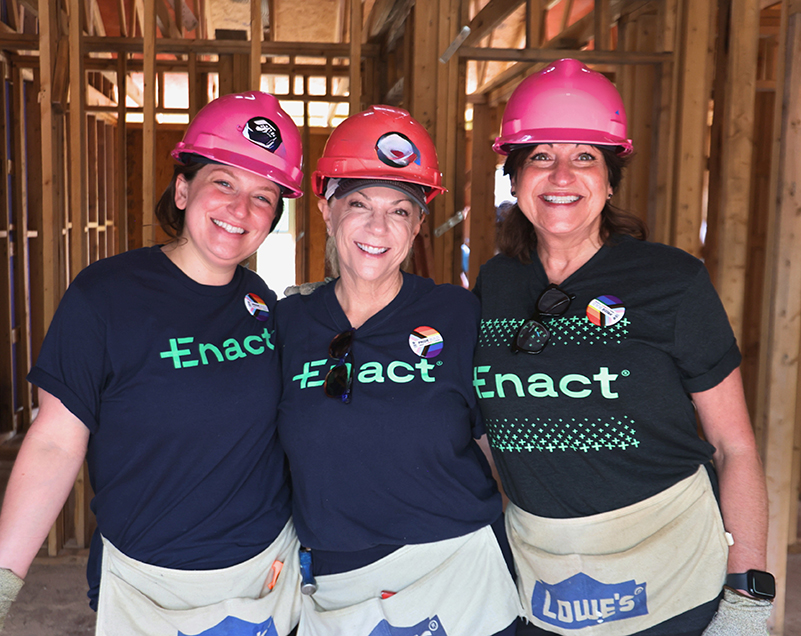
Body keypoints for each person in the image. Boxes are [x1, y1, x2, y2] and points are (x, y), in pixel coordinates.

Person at [472, 58, 773, 636]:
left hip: (672, 571)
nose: (562, 175)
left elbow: (734, 446)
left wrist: (749, 595)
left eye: (585, 156)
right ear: (514, 176)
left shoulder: (672, 282)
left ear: (610, 180)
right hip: (543, 573)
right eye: (541, 157)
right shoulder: (496, 283)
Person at [0, 91, 304, 635]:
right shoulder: (106, 297)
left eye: (264, 196)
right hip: (148, 582)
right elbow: (53, 442)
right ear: (184, 189)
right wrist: (3, 581)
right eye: (224, 183)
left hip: (265, 574)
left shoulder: (260, 300)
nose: (241, 210)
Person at [274, 105, 522, 636]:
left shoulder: (457, 314)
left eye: (400, 210)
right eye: (358, 203)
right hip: (337, 576)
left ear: (418, 225)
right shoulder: (288, 322)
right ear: (326, 208)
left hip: (459, 569)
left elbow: (494, 440)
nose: (377, 226)